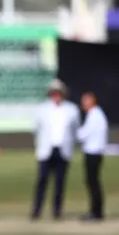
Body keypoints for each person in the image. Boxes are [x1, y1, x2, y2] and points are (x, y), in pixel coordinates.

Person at [31, 78, 81, 220]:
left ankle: (57, 210)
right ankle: (37, 210)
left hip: (63, 150)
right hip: (46, 150)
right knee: (42, 181)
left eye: (58, 93)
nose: (56, 95)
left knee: (60, 182)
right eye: (54, 93)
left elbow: (75, 129)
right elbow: (36, 129)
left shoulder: (71, 109)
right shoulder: (42, 109)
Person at [77, 91, 108, 221]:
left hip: (93, 152)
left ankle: (96, 212)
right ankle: (96, 211)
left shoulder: (94, 115)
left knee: (93, 182)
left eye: (85, 101)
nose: (83, 104)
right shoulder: (96, 115)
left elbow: (84, 134)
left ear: (92, 101)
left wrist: (74, 133)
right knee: (93, 182)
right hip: (95, 151)